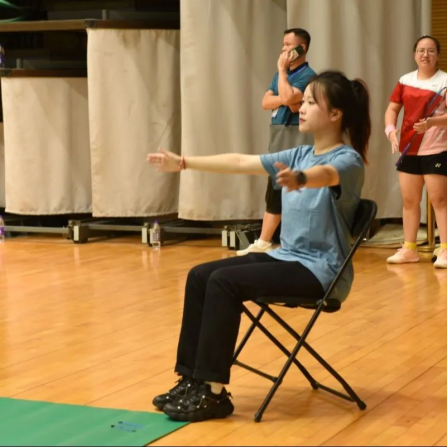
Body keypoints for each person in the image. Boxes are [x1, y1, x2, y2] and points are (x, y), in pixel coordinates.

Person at [146, 70, 371, 422]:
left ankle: (213, 393)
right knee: (200, 275)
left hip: (320, 271)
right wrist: (185, 163)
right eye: (303, 101)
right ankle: (192, 379)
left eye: (311, 102)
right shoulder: (298, 154)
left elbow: (327, 175)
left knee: (225, 282)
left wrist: (301, 179)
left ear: (335, 113)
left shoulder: (348, 160)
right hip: (286, 258)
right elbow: (240, 162)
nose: (302, 108)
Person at [236, 28, 316, 256]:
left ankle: (281, 242)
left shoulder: (308, 75)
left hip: (295, 138)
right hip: (278, 137)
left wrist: (283, 78)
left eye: (288, 45)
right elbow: (265, 102)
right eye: (283, 44)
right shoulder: (279, 75)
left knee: (293, 191)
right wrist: (286, 98)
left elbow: (290, 97)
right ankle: (264, 241)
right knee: (274, 191)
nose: (283, 49)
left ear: (302, 48)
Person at [385, 35, 447, 268]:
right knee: (410, 200)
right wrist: (390, 130)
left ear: (437, 55)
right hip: (409, 148)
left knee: (439, 200)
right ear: (414, 54)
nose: (425, 55)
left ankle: (445, 249)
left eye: (431, 51)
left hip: (436, 148)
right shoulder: (405, 80)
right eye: (421, 50)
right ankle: (409, 249)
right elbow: (392, 109)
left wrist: (432, 124)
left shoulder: (444, 81)